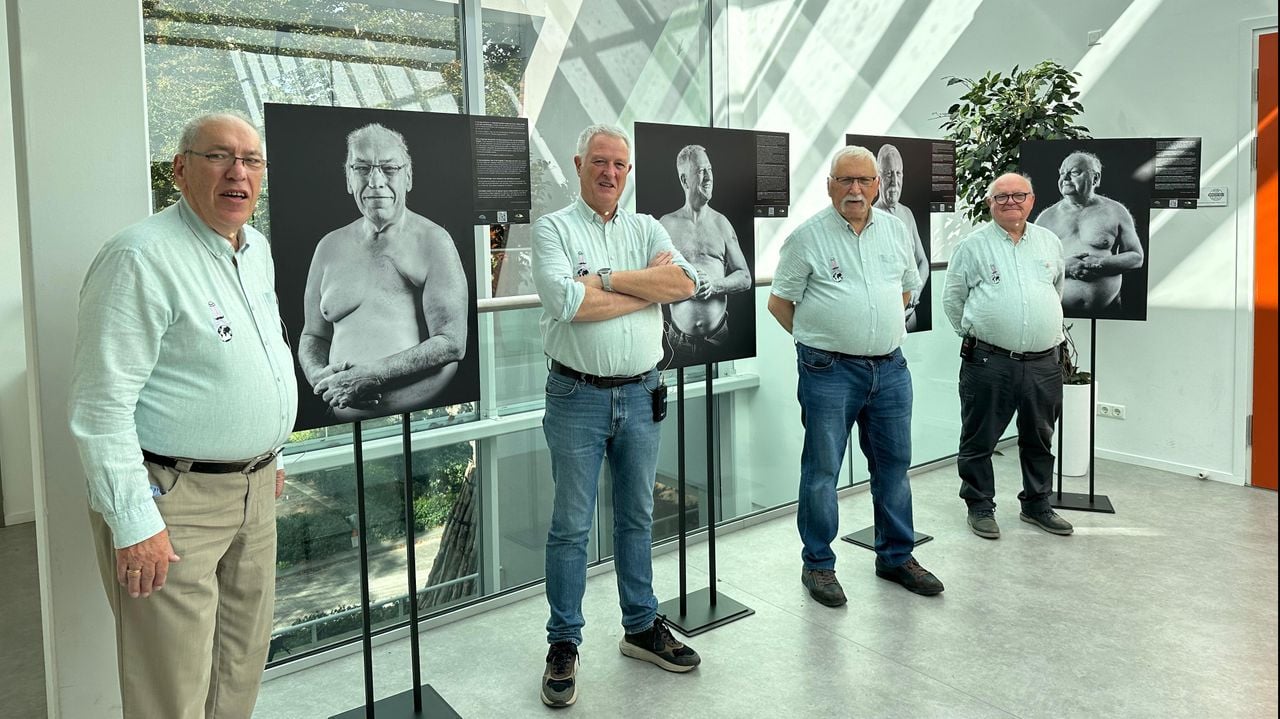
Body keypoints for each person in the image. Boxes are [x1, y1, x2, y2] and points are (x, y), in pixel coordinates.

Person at [68, 112, 297, 718]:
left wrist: (272, 450)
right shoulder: (139, 258)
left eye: (251, 161)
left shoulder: (256, 252)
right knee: (171, 688)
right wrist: (133, 521)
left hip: (253, 490)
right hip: (172, 499)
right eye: (219, 156)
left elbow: (266, 356)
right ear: (180, 169)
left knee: (239, 667)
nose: (238, 173)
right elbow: (100, 407)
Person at [531, 124, 700, 708]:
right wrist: (641, 289)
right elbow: (565, 304)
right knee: (571, 527)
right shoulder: (553, 227)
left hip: (641, 393)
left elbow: (684, 282)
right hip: (576, 397)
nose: (610, 174)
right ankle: (563, 643)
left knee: (638, 516)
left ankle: (640, 626)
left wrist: (604, 279)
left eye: (620, 166)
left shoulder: (647, 227)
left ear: (629, 172)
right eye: (600, 162)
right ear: (579, 164)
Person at [767, 145, 944, 607]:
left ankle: (896, 556)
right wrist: (820, 342)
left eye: (864, 180)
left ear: (877, 185)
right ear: (829, 185)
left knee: (894, 468)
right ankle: (819, 565)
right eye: (845, 180)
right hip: (829, 372)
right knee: (822, 470)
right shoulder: (807, 238)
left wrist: (870, 330)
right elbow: (780, 304)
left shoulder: (895, 230)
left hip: (890, 369)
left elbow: (906, 289)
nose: (856, 189)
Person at [298, 123, 468, 421]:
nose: (375, 181)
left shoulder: (433, 241)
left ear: (408, 177)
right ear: (349, 179)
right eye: (362, 168)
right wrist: (319, 378)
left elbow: (452, 342)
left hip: (418, 419)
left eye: (389, 168)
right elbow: (313, 335)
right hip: (339, 418)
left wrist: (371, 375)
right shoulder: (328, 245)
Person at [942, 172, 1075, 540]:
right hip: (988, 362)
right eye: (1001, 197)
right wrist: (981, 333)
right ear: (990, 204)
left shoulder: (1049, 241)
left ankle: (1037, 504)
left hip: (1044, 363)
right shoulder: (973, 246)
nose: (1010, 202)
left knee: (1039, 438)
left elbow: (1055, 291)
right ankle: (980, 506)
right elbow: (953, 300)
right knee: (979, 438)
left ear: (1032, 200)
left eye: (1018, 195)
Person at [657, 144, 751, 364]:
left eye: (710, 169)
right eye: (701, 171)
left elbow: (745, 277)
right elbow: (650, 280)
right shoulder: (666, 225)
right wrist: (680, 284)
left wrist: (715, 285)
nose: (709, 177)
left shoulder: (721, 223)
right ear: (684, 180)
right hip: (677, 341)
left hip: (720, 338)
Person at [1034, 151, 1144, 315]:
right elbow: (1031, 266)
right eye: (1062, 173)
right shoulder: (1045, 218)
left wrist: (1101, 264)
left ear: (1095, 178)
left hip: (1110, 312)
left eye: (1074, 172)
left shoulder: (1116, 211)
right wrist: (1064, 267)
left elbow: (1136, 257)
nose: (1065, 178)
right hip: (1059, 315)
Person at [873, 144, 930, 331]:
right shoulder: (870, 217)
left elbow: (923, 262)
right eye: (889, 174)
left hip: (911, 317)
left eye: (898, 173)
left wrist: (915, 290)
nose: (894, 181)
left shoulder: (907, 213)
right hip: (884, 320)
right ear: (878, 177)